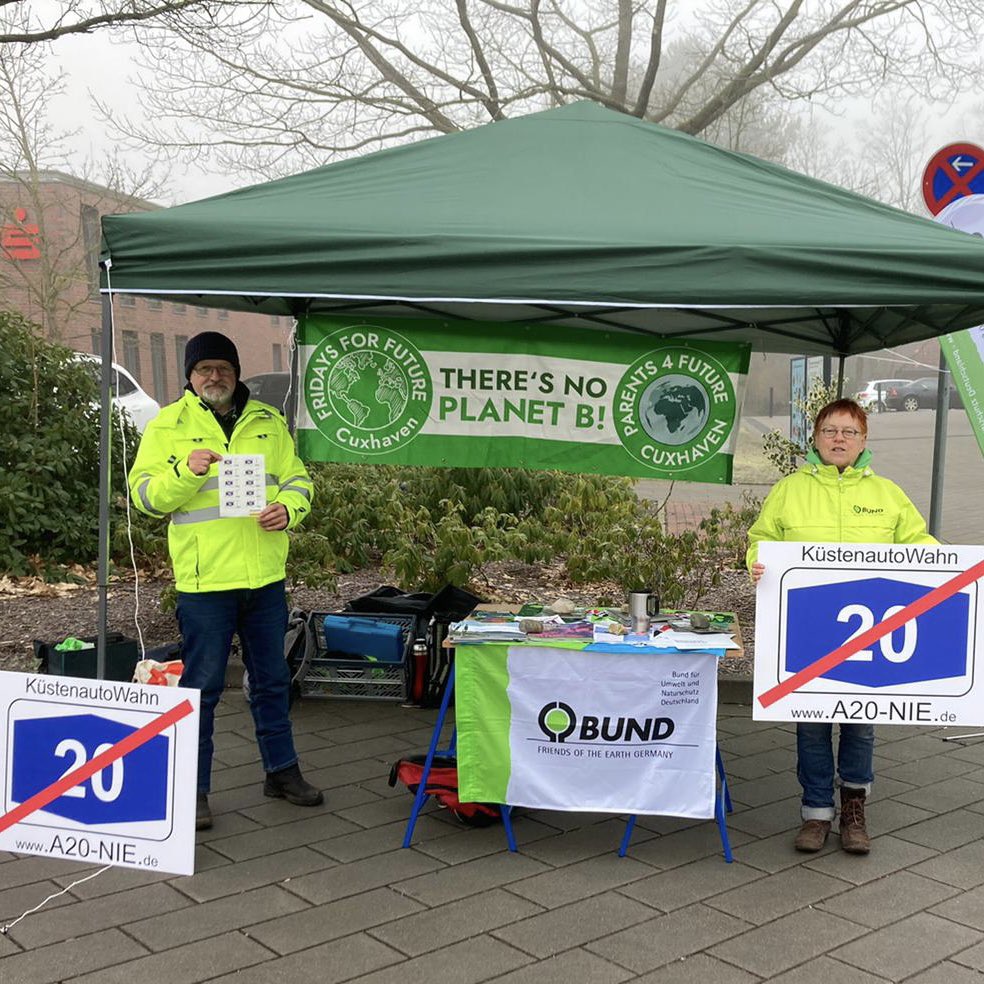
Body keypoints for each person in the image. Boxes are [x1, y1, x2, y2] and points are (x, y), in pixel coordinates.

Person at [129, 331, 320, 830]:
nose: (215, 376)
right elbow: (144, 497)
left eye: (224, 368)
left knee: (272, 682)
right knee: (203, 689)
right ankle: (193, 791)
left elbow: (299, 480)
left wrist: (289, 509)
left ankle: (281, 771)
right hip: (205, 583)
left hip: (264, 579)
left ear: (236, 373)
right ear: (189, 376)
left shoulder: (268, 421)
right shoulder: (167, 425)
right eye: (204, 369)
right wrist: (184, 471)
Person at [746, 398, 935, 855]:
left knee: (861, 725)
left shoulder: (888, 494)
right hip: (807, 633)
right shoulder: (789, 490)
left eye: (849, 432)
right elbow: (761, 539)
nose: (839, 439)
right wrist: (757, 561)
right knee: (811, 726)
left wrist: (946, 567)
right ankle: (815, 813)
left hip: (869, 638)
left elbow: (919, 543)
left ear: (863, 440)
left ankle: (854, 809)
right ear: (815, 438)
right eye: (830, 430)